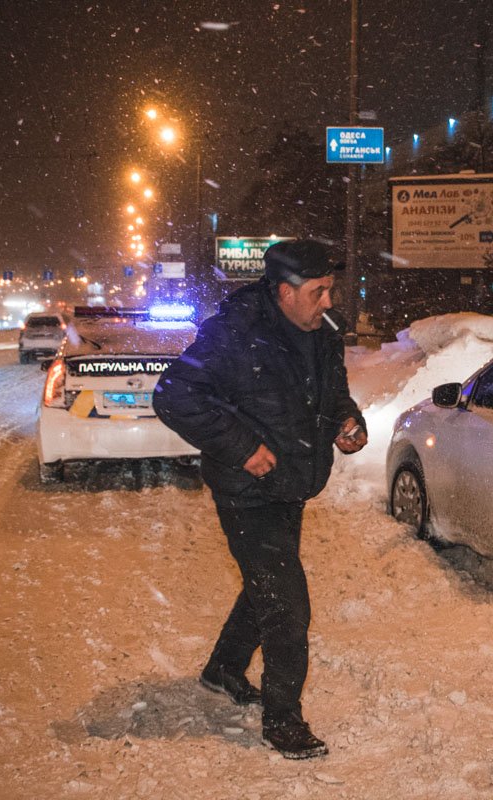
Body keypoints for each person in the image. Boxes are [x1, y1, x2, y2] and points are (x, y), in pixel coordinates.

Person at [152, 238, 368, 760]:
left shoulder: (323, 336)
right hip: (246, 491)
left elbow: (333, 392)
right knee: (287, 603)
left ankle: (224, 668)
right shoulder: (233, 334)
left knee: (267, 583)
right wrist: (243, 446)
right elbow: (173, 395)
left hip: (291, 483)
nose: (328, 302)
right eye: (318, 292)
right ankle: (283, 719)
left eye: (330, 291)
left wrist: (347, 420)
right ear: (284, 291)